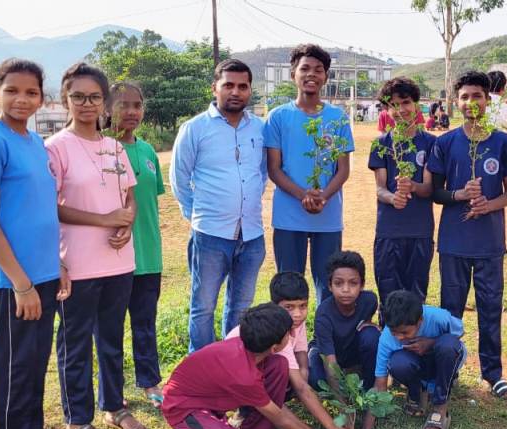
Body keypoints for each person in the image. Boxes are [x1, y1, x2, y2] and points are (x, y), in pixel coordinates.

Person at [0, 58, 82, 429]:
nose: (22, 99)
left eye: (31, 92)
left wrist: (57, 263)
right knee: (13, 367)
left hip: (44, 274)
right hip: (14, 282)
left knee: (35, 363)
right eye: (12, 90)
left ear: (42, 98)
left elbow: (38, 209)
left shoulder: (35, 142)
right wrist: (20, 283)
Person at [47, 62, 146, 429]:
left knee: (111, 338)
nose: (86, 104)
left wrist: (127, 223)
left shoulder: (114, 147)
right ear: (65, 100)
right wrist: (104, 220)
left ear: (104, 102)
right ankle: (78, 420)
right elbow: (50, 207)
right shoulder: (56, 148)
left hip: (119, 261)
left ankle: (114, 406)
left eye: (94, 97)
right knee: (75, 343)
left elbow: (130, 197)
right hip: (78, 263)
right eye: (78, 96)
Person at [162, 303, 353, 429]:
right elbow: (281, 418)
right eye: (288, 333)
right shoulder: (244, 376)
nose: (292, 335)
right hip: (183, 407)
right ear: (274, 347)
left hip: (210, 397)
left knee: (279, 365)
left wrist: (332, 428)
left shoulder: (249, 345)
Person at [428, 70, 507, 402]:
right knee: (450, 310)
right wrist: (460, 195)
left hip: (489, 244)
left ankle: (493, 373)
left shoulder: (503, 143)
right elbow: (435, 192)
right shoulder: (445, 143)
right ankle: (448, 370)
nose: (471, 102)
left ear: (487, 100)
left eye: (477, 96)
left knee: (490, 308)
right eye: (464, 97)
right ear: (456, 102)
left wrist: (487, 205)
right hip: (453, 243)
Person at [171, 59, 267, 352]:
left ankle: (233, 363)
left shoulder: (259, 128)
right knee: (203, 307)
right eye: (228, 85)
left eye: (242, 86)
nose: (235, 92)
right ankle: (201, 368)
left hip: (252, 235)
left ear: (250, 90)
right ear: (215, 88)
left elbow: (262, 173)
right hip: (210, 235)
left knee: (241, 308)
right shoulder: (195, 128)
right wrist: (198, 216)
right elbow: (179, 178)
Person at [223, 272, 356, 429]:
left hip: (257, 373)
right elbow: (301, 388)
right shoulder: (277, 330)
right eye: (289, 307)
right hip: (233, 383)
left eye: (303, 306)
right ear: (274, 305)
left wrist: (303, 373)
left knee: (297, 374)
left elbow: (301, 351)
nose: (298, 314)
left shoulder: (294, 323)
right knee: (285, 373)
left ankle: (262, 408)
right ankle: (248, 415)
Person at [264, 44, 354, 304]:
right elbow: (274, 168)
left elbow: (343, 169)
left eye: (318, 69)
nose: (311, 74)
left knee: (328, 286)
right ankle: (290, 332)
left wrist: (322, 196)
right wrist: (302, 195)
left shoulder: (338, 118)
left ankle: (323, 332)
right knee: (289, 286)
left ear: (326, 76)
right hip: (289, 217)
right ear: (293, 74)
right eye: (305, 68)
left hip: (328, 216)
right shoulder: (278, 117)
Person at [107, 81, 165, 408]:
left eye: (137, 105)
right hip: (113, 256)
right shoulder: (102, 150)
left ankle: (150, 382)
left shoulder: (147, 152)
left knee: (145, 324)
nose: (131, 112)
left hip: (149, 255)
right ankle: (113, 393)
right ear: (107, 109)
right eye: (122, 104)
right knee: (110, 329)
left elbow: (151, 200)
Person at [360, 290, 466, 429]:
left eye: (404, 332)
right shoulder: (386, 338)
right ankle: (418, 392)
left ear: (420, 321)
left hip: (443, 359)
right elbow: (380, 384)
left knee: (447, 346)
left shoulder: (438, 317)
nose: (399, 337)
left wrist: (430, 343)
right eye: (394, 332)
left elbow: (459, 332)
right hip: (417, 365)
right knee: (398, 363)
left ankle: (440, 407)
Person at [369, 78, 436, 314]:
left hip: (420, 232)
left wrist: (413, 187)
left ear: (416, 104)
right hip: (389, 232)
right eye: (393, 105)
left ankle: (415, 337)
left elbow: (430, 189)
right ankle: (387, 337)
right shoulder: (381, 144)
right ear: (386, 109)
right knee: (389, 298)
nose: (400, 110)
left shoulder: (431, 143)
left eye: (405, 102)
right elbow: (379, 188)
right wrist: (392, 198)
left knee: (415, 297)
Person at [308, 251, 380, 393]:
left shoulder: (370, 301)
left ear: (362, 285)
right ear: (330, 286)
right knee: (317, 380)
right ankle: (347, 374)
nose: (346, 290)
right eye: (338, 283)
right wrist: (342, 403)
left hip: (350, 348)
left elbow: (366, 321)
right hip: (326, 351)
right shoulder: (323, 314)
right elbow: (330, 363)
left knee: (371, 335)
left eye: (353, 283)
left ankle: (369, 387)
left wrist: (369, 325)